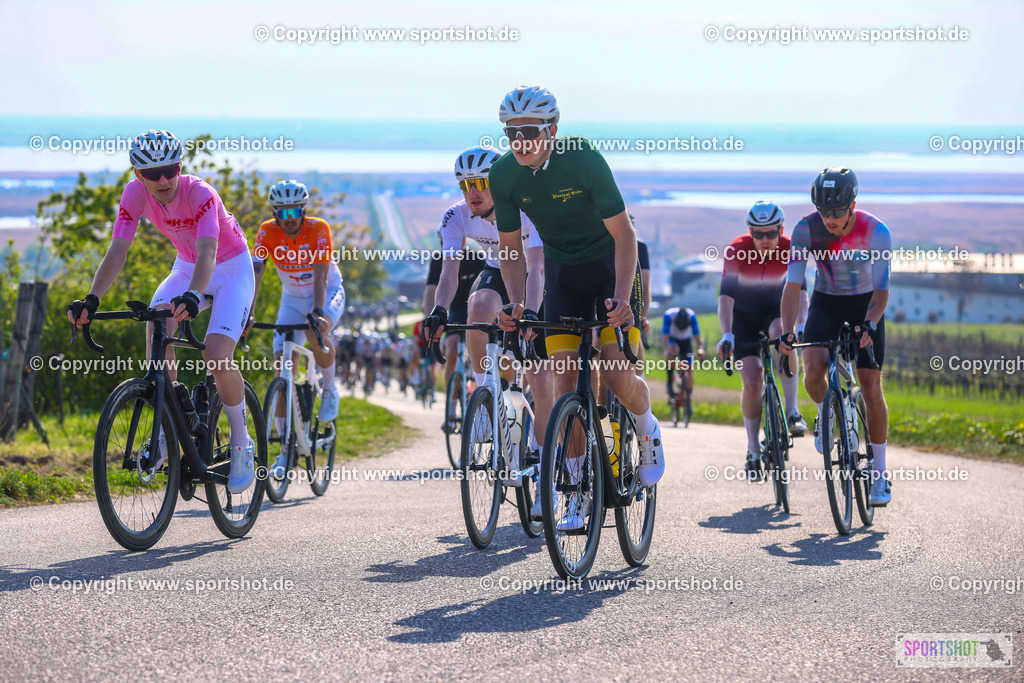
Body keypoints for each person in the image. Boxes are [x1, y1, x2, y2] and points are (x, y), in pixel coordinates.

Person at [492, 85, 665, 531]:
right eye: (510, 132)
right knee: (564, 382)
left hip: (610, 269)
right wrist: (515, 303)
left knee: (617, 375)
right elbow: (510, 249)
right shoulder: (504, 175)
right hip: (564, 275)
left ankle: (646, 428)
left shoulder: (583, 158)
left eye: (528, 131)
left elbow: (625, 237)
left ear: (552, 129)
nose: (519, 141)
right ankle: (576, 490)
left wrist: (624, 301)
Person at [68, 130, 256, 493]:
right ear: (138, 175)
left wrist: (193, 295)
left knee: (217, 354)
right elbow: (118, 249)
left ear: (180, 166)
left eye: (169, 169)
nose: (163, 179)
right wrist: (92, 299)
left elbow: (208, 252)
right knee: (156, 326)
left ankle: (241, 440)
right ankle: (172, 422)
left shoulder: (200, 192)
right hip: (186, 267)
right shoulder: (134, 194)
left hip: (229, 268)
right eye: (152, 174)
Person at [779, 167, 893, 506]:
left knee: (870, 384)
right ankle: (826, 412)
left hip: (865, 304)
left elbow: (882, 290)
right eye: (823, 211)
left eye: (837, 212)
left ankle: (880, 474)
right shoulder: (805, 229)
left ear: (852, 205)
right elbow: (794, 285)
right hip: (826, 302)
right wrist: (787, 330)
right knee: (813, 369)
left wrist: (871, 323)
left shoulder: (877, 231)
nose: (829, 218)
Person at [425, 146, 548, 448]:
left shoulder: (527, 209)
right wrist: (439, 309)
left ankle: (545, 455)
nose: (474, 192)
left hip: (537, 278)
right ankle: (486, 400)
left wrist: (529, 312)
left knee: (541, 381)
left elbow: (537, 268)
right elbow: (448, 272)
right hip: (496, 271)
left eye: (482, 183)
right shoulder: (456, 216)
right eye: (466, 185)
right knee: (477, 307)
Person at [247, 180, 345, 476]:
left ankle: (329, 388)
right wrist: (246, 314)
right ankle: (285, 449)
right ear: (275, 213)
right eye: (282, 213)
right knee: (282, 371)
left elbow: (322, 276)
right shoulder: (267, 231)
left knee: (318, 332)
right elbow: (256, 272)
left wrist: (317, 312)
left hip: (325, 292)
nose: (289, 220)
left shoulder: (318, 228)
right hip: (291, 298)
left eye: (294, 212)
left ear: (303, 210)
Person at [716, 200, 808, 481]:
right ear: (750, 232)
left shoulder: (792, 248)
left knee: (783, 332)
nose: (765, 240)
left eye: (771, 233)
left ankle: (792, 410)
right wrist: (727, 333)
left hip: (775, 310)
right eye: (758, 234)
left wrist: (801, 325)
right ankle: (753, 449)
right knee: (753, 380)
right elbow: (726, 297)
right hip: (743, 317)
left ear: (781, 230)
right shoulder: (737, 249)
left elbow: (802, 292)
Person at [662, 305, 704, 421]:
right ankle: (670, 384)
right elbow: (665, 338)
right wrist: (667, 351)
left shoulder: (691, 316)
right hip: (673, 340)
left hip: (686, 342)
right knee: (673, 350)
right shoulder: (669, 315)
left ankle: (688, 399)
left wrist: (700, 349)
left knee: (689, 369)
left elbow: (698, 337)